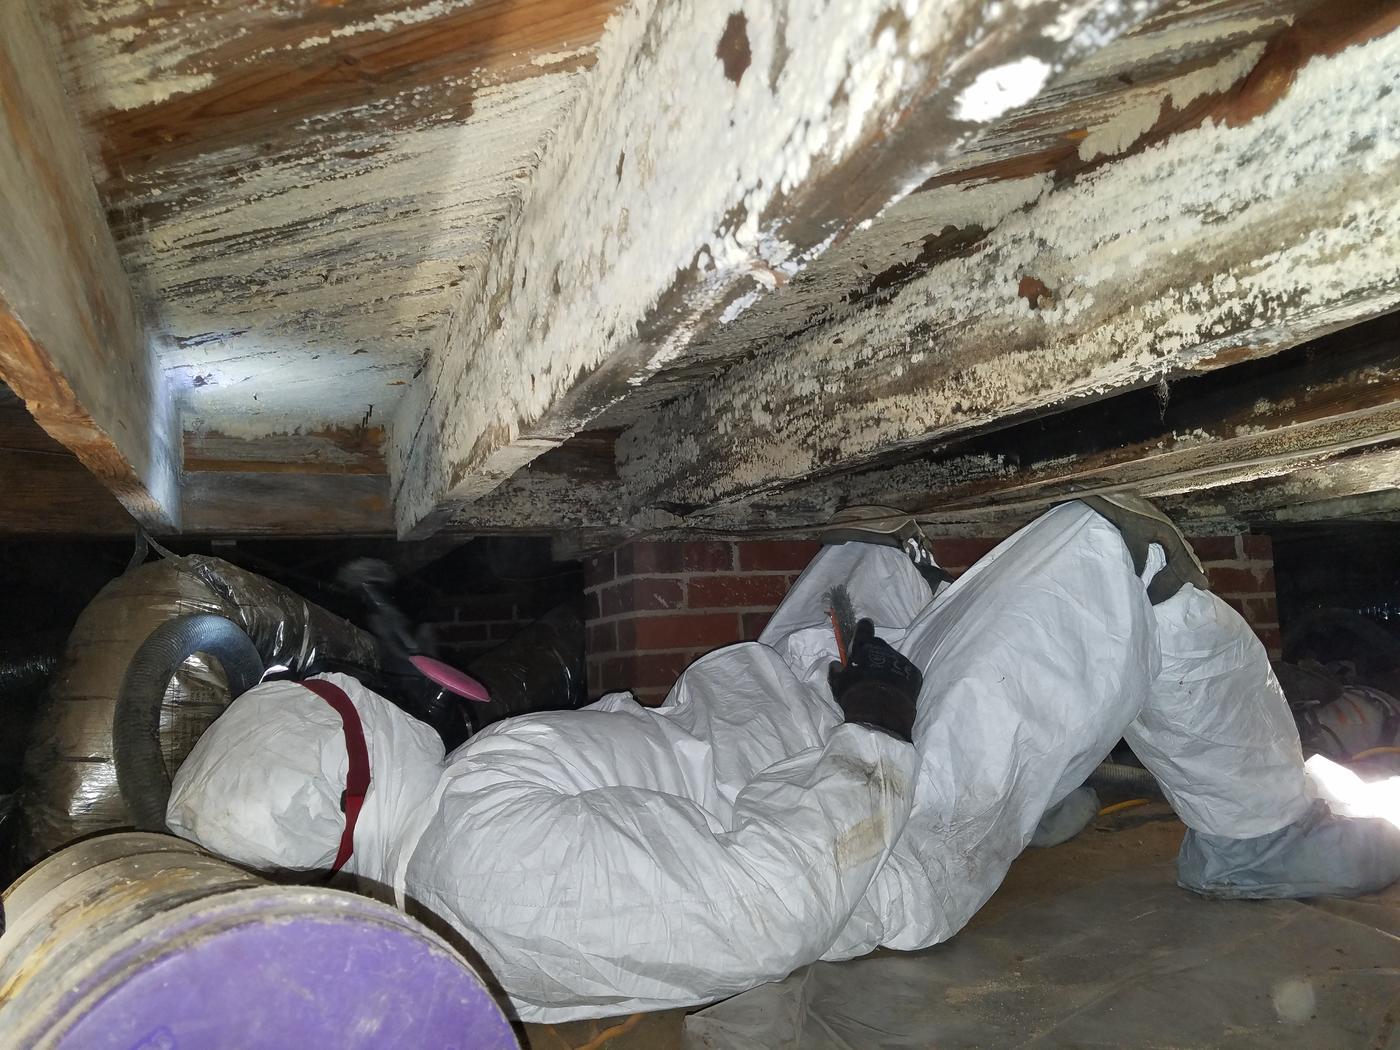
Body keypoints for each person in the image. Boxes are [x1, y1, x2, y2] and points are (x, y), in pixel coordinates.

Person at [166, 497, 1400, 1023]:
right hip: (887, 828)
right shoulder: (485, 861)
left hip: (802, 732)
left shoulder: (456, 823)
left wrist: (816, 666)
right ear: (351, 771)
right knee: (1119, 551)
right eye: (351, 700)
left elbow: (674, 777)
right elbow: (758, 909)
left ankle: (1028, 786)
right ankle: (1252, 835)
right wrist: (870, 725)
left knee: (875, 552)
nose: (379, 688)